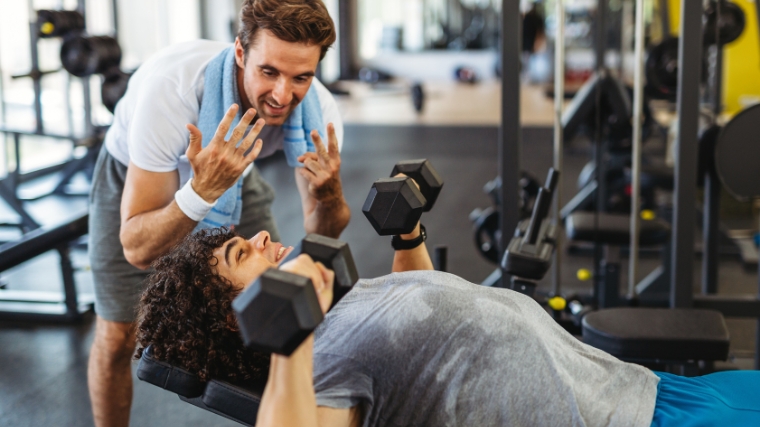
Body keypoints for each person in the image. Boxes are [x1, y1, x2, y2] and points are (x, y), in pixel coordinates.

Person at [136, 218, 760, 427]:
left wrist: (408, 236)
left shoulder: (341, 305)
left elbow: (429, 300)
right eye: (241, 254)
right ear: (233, 315)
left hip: (644, 390)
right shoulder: (313, 365)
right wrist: (288, 338)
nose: (262, 235)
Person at [87, 1, 350, 426]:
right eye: (269, 72)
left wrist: (331, 195)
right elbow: (138, 249)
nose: (283, 95)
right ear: (241, 54)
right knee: (119, 334)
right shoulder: (172, 94)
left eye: (300, 77)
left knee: (282, 303)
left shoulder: (320, 110)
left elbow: (322, 236)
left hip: (232, 171)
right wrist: (202, 189)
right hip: (139, 177)